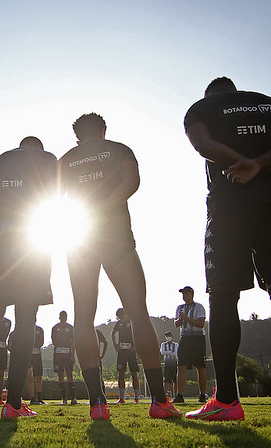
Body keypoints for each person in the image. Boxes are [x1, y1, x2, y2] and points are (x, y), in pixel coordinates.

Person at [184, 77, 271, 422]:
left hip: (230, 208)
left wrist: (244, 163)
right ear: (235, 89)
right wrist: (264, 161)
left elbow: (203, 144)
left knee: (224, 296)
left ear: (211, 93)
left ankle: (226, 399)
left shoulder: (202, 108)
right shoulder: (269, 102)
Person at [59, 113, 182, 420]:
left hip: (78, 238)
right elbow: (131, 183)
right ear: (103, 131)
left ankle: (97, 404)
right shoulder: (119, 149)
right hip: (115, 237)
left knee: (83, 317)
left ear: (77, 136)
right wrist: (106, 203)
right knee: (138, 312)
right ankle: (158, 400)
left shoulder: (64, 160)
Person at [0, 137, 57, 419]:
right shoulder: (48, 160)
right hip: (33, 243)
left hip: (0, 247)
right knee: (26, 319)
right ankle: (13, 403)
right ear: (37, 148)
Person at [173, 286, 208, 403]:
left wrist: (186, 318)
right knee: (181, 366)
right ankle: (180, 395)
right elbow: (176, 323)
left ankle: (202, 394)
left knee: (200, 367)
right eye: (183, 294)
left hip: (197, 338)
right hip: (185, 338)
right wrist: (180, 320)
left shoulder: (199, 307)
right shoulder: (180, 307)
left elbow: (200, 324)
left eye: (186, 294)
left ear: (191, 294)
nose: (184, 296)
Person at [112, 308, 140, 403]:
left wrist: (135, 346)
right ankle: (121, 398)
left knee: (134, 373)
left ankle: (136, 398)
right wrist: (115, 345)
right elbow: (113, 333)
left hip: (131, 352)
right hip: (122, 352)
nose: (121, 318)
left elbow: (137, 333)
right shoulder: (118, 324)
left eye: (122, 315)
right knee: (121, 373)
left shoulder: (131, 322)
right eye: (119, 316)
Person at [52, 311, 78, 406]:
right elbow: (54, 341)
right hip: (58, 355)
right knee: (60, 375)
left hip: (68, 355)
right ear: (59, 317)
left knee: (69, 374)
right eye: (62, 316)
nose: (64, 318)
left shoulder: (70, 328)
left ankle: (73, 398)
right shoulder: (55, 328)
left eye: (65, 316)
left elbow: (73, 342)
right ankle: (64, 399)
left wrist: (72, 355)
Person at [160, 332, 178, 398]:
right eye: (167, 336)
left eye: (169, 336)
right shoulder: (163, 344)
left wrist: (168, 353)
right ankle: (165, 394)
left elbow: (176, 353)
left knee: (175, 380)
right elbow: (162, 352)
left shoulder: (175, 344)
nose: (168, 337)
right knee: (166, 380)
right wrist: (171, 352)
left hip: (174, 364)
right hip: (167, 364)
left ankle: (176, 394)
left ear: (171, 336)